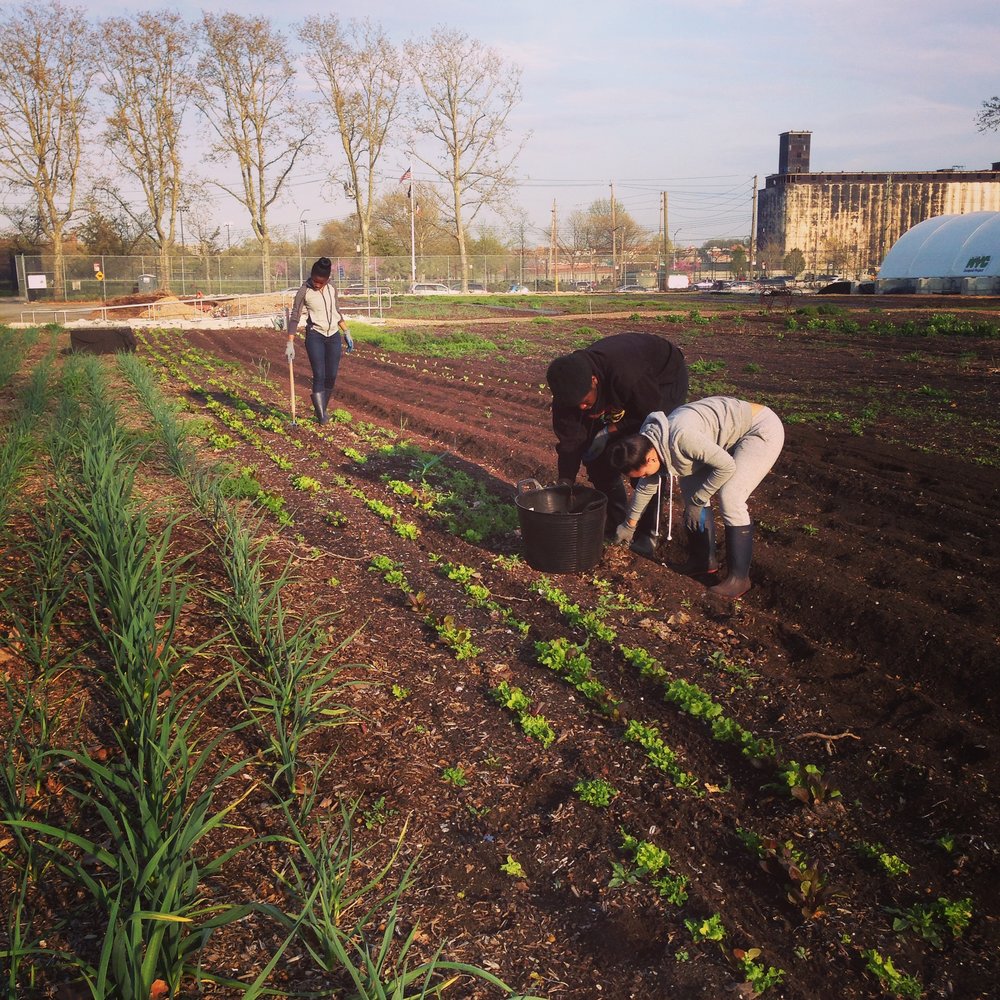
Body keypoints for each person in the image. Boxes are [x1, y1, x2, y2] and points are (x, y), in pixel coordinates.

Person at [608, 397, 784, 599]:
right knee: (690, 488)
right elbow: (646, 486)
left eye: (645, 472)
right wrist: (629, 525)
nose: (646, 477)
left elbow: (726, 466)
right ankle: (702, 560)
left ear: (651, 458)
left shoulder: (682, 438)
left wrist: (699, 501)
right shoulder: (646, 441)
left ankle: (739, 578)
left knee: (731, 496)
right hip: (716, 436)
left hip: (758, 428)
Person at [545, 332, 688, 554]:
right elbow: (570, 440)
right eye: (576, 405)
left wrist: (610, 430)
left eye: (585, 402)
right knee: (596, 458)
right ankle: (616, 518)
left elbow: (649, 414)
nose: (582, 408)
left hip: (663, 382)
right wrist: (566, 480)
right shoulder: (568, 393)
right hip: (624, 387)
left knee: (640, 457)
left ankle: (649, 532)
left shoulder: (627, 373)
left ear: (594, 380)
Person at [286, 257, 354, 424]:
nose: (317, 284)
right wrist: (290, 342)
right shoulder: (304, 291)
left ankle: (322, 409)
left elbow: (336, 311)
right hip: (315, 335)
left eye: (320, 282)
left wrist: (346, 331)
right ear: (312, 276)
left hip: (333, 336)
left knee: (331, 375)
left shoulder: (332, 288)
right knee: (319, 375)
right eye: (315, 281)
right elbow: (295, 316)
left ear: (327, 280)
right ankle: (321, 416)